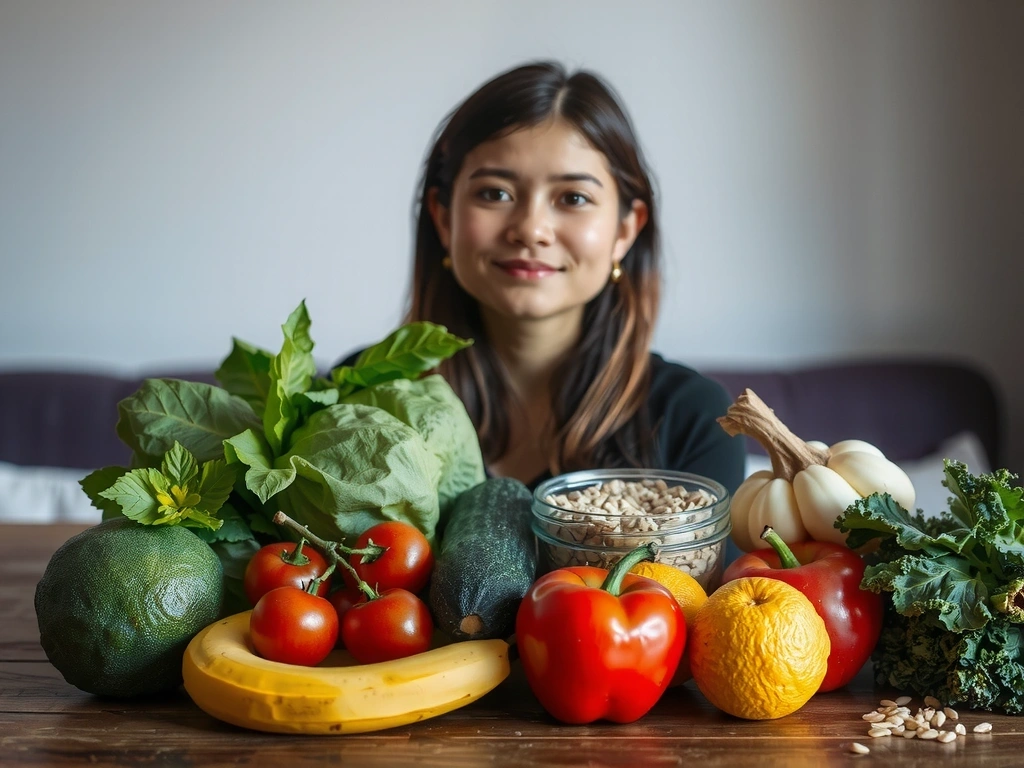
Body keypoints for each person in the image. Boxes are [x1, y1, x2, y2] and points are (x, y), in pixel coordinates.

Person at [342, 60, 745, 498]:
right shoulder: (360, 392)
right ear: (443, 218)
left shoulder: (695, 418)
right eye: (495, 193)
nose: (531, 229)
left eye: (573, 197)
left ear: (626, 229)